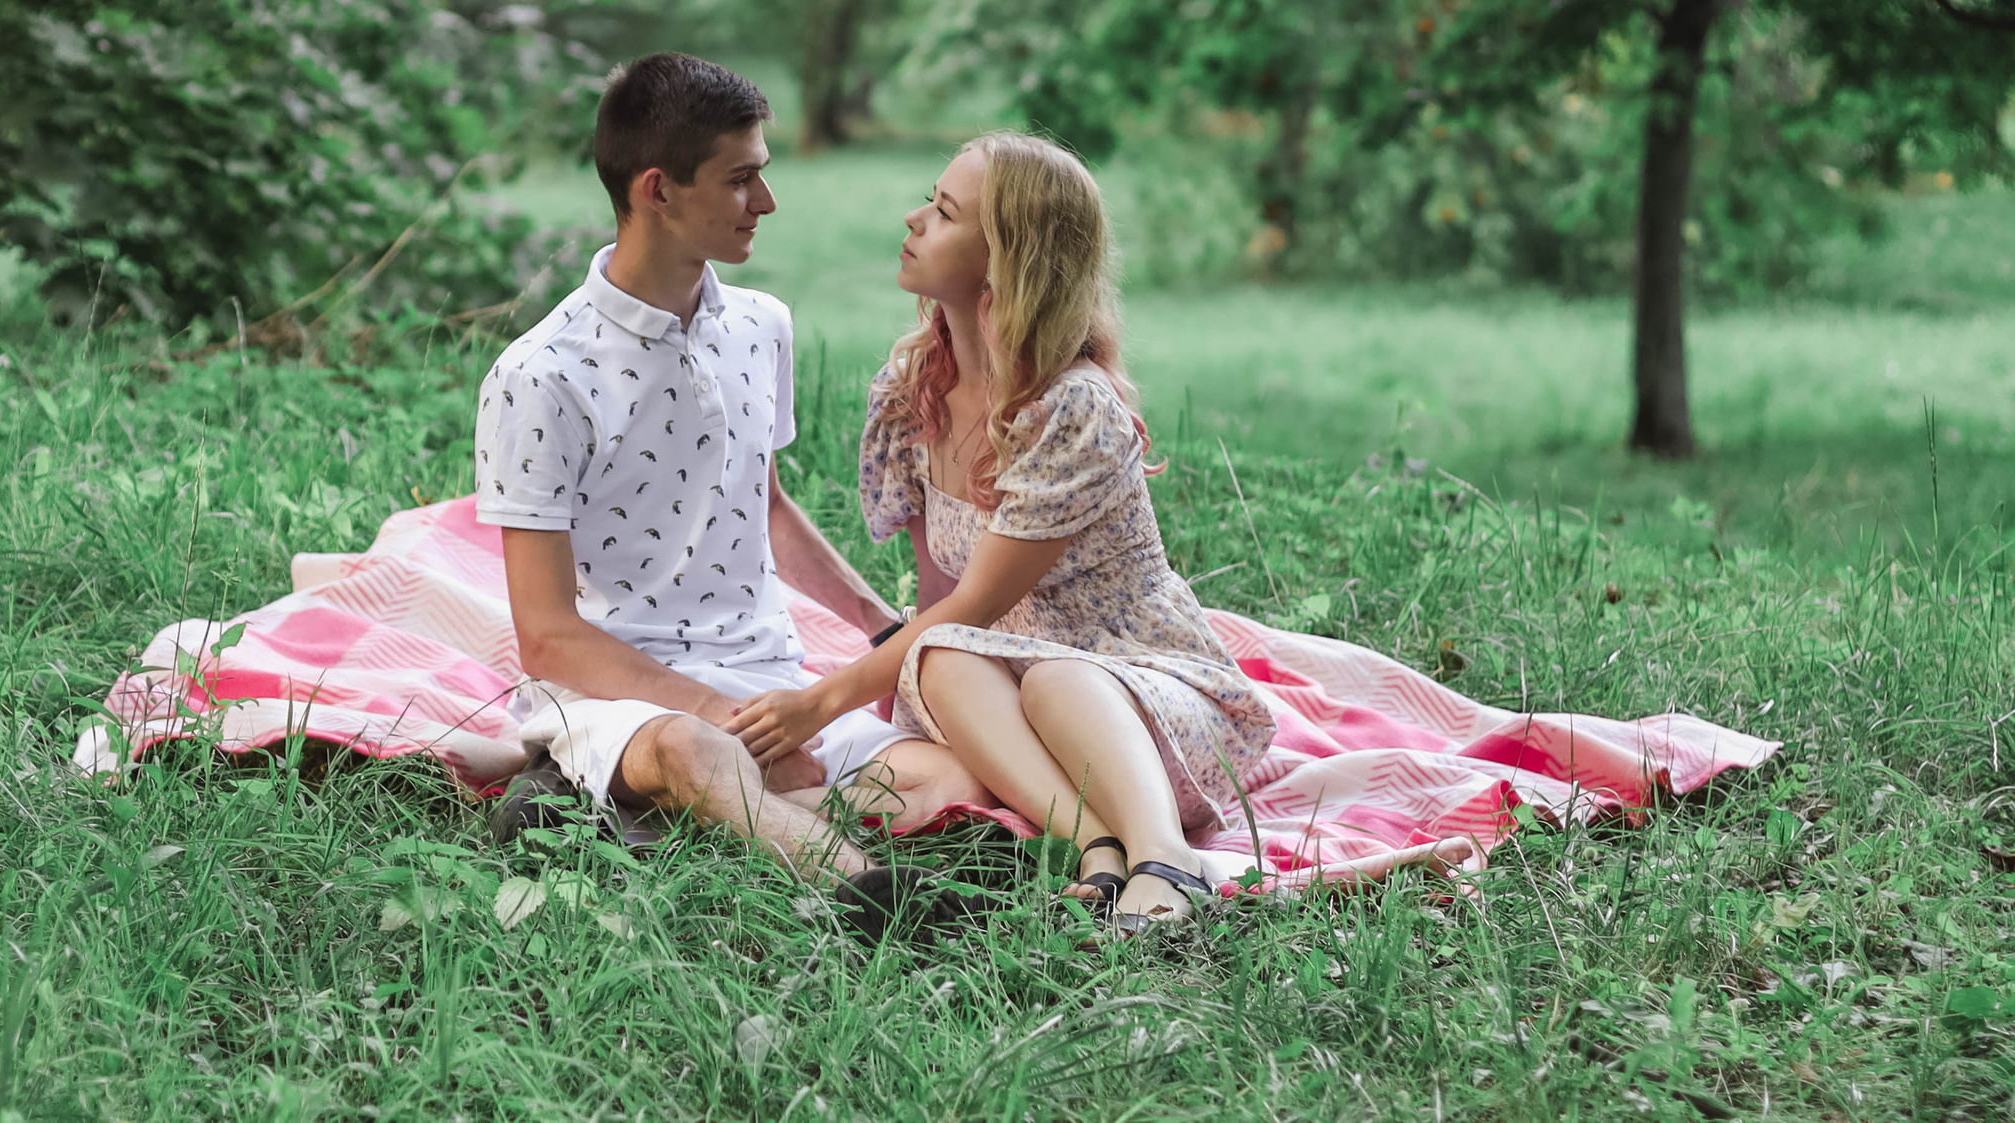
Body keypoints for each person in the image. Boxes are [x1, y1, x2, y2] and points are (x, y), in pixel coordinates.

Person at [726, 131, 1476, 934]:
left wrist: (819, 702)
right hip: (1006, 698)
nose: (914, 219)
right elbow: (941, 605)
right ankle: (1099, 849)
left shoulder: (1072, 407)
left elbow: (975, 605)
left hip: (1140, 694)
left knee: (1048, 678)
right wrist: (895, 692)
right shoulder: (916, 390)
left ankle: (1166, 856)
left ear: (1008, 260)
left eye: (944, 212)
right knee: (926, 690)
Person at [475, 54, 987, 935]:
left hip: (768, 678)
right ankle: (876, 897)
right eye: (741, 178)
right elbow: (547, 633)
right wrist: (730, 722)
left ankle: (638, 818)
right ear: (657, 190)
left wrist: (885, 631)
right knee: (692, 748)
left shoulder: (762, 325)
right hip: (620, 697)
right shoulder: (538, 375)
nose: (767, 201)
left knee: (950, 777)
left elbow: (769, 506)